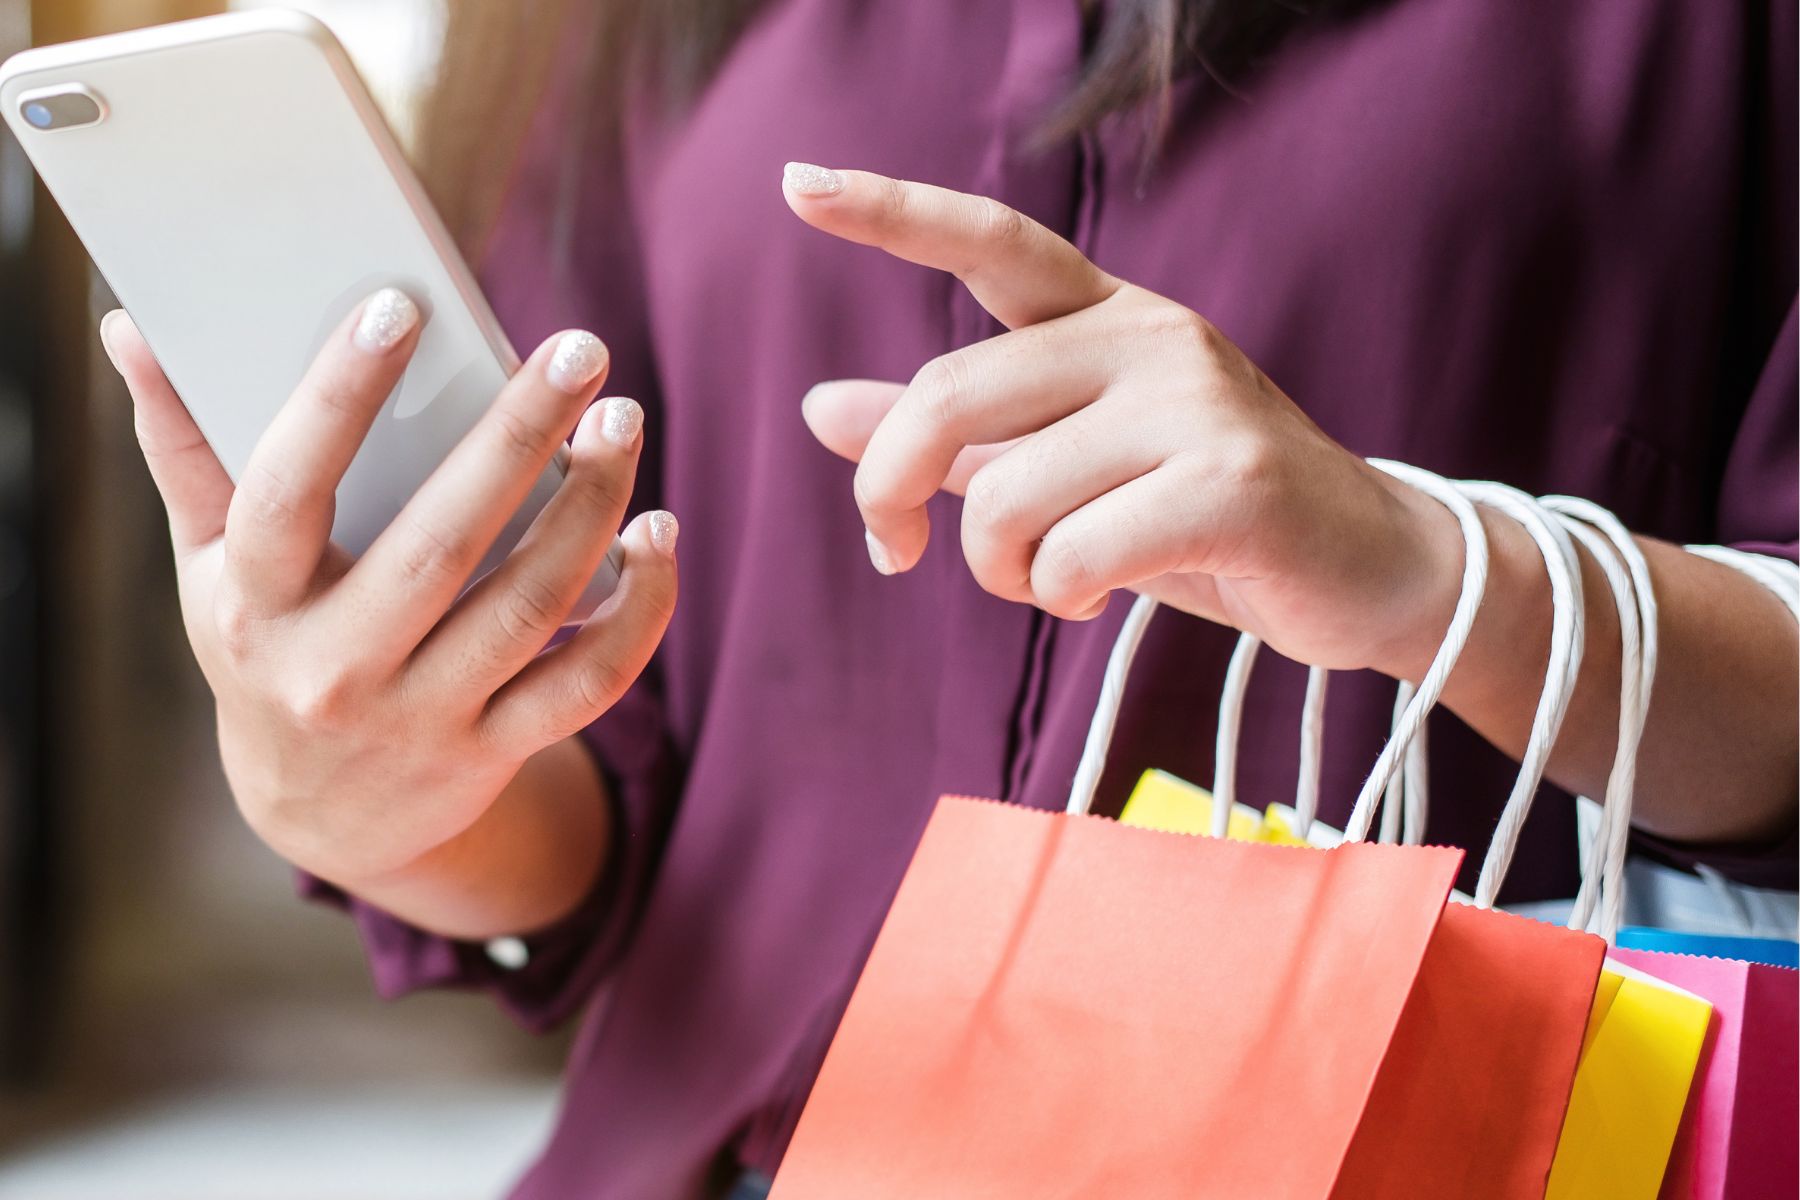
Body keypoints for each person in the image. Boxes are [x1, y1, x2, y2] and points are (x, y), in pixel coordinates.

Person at [99, 0, 1796, 1196]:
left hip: (1415, 1145)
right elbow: (602, 793)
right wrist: (367, 794)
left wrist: (1432, 565)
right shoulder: (604, 30)